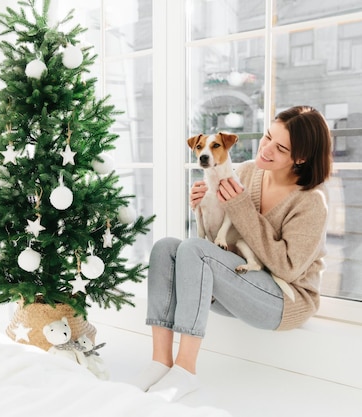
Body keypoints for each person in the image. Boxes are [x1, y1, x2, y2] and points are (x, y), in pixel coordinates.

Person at [129, 105, 333, 401]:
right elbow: (221, 244)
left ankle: (186, 371)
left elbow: (287, 269)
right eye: (266, 138)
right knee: (166, 248)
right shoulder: (248, 171)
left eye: (280, 148)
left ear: (300, 157)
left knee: (195, 250)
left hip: (283, 300)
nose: (266, 150)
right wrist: (204, 205)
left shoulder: (311, 201)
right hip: (242, 281)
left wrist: (240, 209)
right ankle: (160, 361)